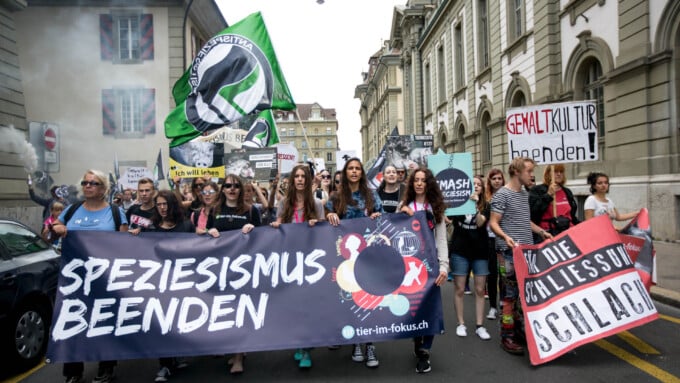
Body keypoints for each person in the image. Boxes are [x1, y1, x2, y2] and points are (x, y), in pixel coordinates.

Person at [50, 169, 129, 383]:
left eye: (93, 183)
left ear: (103, 189)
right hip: (75, 279)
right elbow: (53, 226)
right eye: (85, 182)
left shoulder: (114, 213)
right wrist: (57, 227)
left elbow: (126, 246)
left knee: (103, 322)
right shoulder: (72, 209)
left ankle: (106, 367)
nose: (87, 186)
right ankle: (73, 371)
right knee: (73, 323)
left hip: (105, 278)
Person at [488, 157, 552, 356]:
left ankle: (516, 329)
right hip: (508, 252)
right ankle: (506, 335)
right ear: (517, 172)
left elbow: (525, 221)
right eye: (529, 171)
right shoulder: (502, 195)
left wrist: (541, 232)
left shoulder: (524, 194)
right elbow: (493, 223)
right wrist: (506, 237)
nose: (532, 175)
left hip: (527, 251)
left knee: (522, 296)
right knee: (508, 296)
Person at [326, 158, 383, 368]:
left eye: (357, 168)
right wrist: (330, 214)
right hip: (345, 257)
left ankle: (370, 344)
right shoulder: (336, 196)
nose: (354, 171)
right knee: (351, 300)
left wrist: (378, 215)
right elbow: (327, 220)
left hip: (368, 256)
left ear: (361, 173)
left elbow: (382, 218)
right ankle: (356, 340)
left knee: (368, 299)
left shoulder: (372, 195)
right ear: (345, 171)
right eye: (350, 168)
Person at [204, 174, 261, 374]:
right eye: (227, 185)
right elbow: (206, 233)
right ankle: (234, 348)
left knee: (240, 311)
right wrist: (209, 231)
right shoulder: (215, 210)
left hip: (243, 269)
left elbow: (263, 238)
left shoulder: (250, 210)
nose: (232, 189)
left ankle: (238, 357)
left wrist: (253, 228)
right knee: (225, 311)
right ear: (223, 189)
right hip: (220, 268)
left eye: (236, 185)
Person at [270, 164, 324, 368]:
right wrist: (277, 225)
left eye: (304, 176)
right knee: (294, 306)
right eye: (297, 176)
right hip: (290, 261)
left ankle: (306, 348)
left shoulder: (317, 203)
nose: (300, 179)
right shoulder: (284, 203)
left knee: (308, 306)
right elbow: (278, 224)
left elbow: (323, 231)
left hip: (310, 262)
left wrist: (316, 224)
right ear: (292, 180)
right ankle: (299, 344)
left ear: (308, 180)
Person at [397, 167, 449, 373]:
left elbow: (442, 239)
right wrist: (403, 215)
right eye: (416, 180)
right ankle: (418, 339)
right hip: (409, 265)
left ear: (429, 184)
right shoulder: (404, 205)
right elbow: (394, 232)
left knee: (430, 307)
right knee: (415, 307)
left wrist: (444, 266)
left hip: (430, 266)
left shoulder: (436, 208)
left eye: (423, 180)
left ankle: (424, 352)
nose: (419, 183)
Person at [146, 190, 193, 382]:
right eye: (159, 204)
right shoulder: (152, 228)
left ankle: (176, 355)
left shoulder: (185, 226)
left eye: (165, 204)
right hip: (158, 282)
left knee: (177, 320)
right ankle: (165, 364)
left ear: (173, 205)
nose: (162, 208)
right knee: (162, 323)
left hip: (181, 280)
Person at [449, 175, 491, 341]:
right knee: (459, 288)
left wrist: (475, 206)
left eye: (478, 184)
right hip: (460, 248)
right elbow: (448, 218)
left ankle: (480, 325)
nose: (476, 187)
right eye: (473, 184)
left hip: (480, 249)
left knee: (480, 289)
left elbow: (480, 223)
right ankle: (461, 323)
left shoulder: (487, 204)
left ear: (482, 188)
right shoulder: (459, 202)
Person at [529, 164, 579, 240]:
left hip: (568, 233)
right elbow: (533, 213)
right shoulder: (537, 190)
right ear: (548, 173)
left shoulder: (567, 191)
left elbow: (572, 216)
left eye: (561, 172)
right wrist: (548, 195)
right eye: (555, 171)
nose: (559, 174)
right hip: (548, 234)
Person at [484, 168, 505, 320]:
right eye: (494, 178)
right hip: (489, 240)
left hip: (504, 239)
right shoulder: (486, 199)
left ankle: (505, 303)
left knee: (505, 275)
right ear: (490, 181)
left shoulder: (508, 195)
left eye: (499, 178)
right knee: (492, 275)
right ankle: (493, 306)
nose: (497, 181)